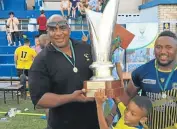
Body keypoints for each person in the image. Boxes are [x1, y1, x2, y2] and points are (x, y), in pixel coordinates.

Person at [28, 14, 99, 129]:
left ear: (69, 29)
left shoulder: (85, 48)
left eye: (62, 28)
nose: (58, 33)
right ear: (47, 32)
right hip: (61, 124)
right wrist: (71, 97)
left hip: (93, 123)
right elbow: (40, 100)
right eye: (53, 29)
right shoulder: (41, 60)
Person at [120, 31, 177, 129]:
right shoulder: (142, 71)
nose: (163, 51)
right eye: (158, 47)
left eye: (169, 47)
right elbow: (128, 94)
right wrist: (111, 115)